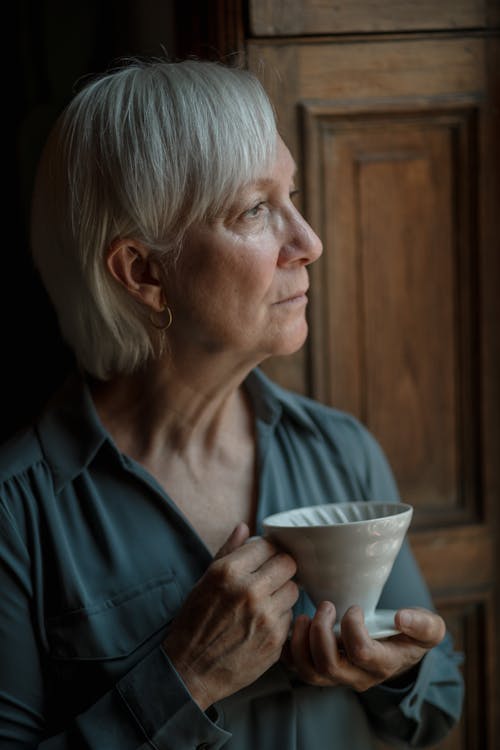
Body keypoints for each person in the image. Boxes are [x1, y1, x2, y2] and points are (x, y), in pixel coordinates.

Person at [0, 58, 464, 749]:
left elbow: (439, 705)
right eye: (254, 209)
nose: (309, 243)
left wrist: (391, 673)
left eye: (293, 196)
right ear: (145, 271)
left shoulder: (342, 451)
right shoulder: (17, 510)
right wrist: (183, 676)